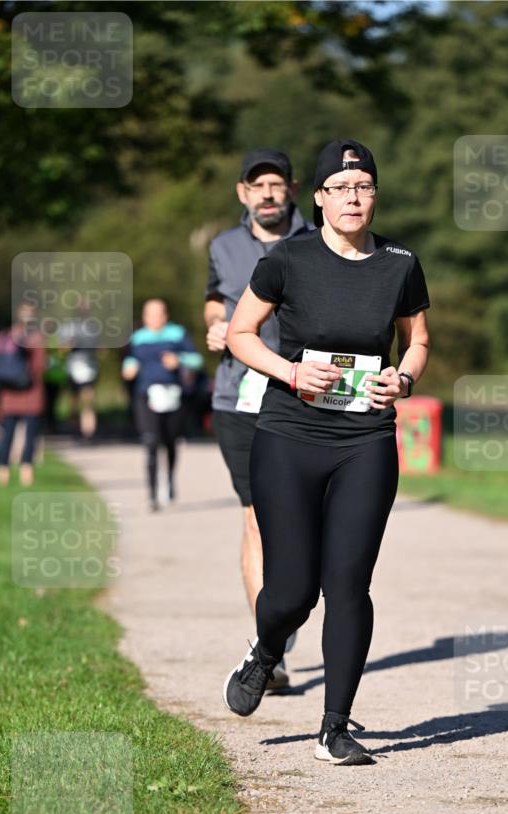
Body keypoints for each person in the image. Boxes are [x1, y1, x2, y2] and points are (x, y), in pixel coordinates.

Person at [221, 139, 430, 764]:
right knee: (290, 593)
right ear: (319, 197)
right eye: (340, 188)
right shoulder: (288, 258)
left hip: (365, 439)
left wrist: (406, 378)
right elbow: (239, 334)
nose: (353, 198)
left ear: (375, 195)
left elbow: (416, 340)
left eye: (363, 187)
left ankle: (335, 725)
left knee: (348, 585)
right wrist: (289, 373)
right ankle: (265, 651)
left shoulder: (400, 262)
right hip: (288, 436)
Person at [204, 148, 311, 689]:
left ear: (291, 189)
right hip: (236, 397)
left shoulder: (320, 241)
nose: (266, 193)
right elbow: (213, 300)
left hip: (303, 396)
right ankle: (272, 650)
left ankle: (283, 616)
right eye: (256, 185)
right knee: (255, 519)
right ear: (243, 192)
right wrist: (215, 326)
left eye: (275, 184)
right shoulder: (223, 246)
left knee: (299, 524)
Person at [123, 299, 203, 511]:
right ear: (145, 316)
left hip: (173, 394)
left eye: (158, 314)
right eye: (150, 314)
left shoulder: (177, 334)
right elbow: (130, 361)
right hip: (146, 395)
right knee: (150, 442)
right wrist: (128, 369)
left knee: (169, 442)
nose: (154, 318)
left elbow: (197, 360)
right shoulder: (138, 338)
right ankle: (152, 495)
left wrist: (179, 361)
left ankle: (169, 480)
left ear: (165, 315)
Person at [0, 303, 46, 487]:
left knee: (7, 434)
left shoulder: (9, 335)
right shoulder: (37, 338)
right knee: (30, 436)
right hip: (30, 394)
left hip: (9, 395)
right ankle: (26, 471)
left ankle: (3, 471)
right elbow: (40, 366)